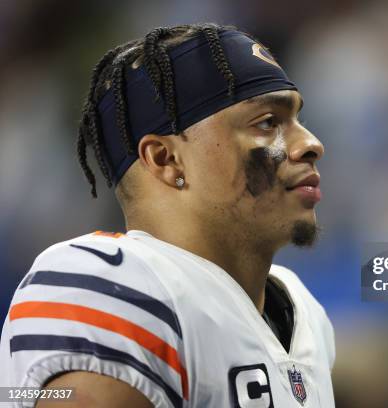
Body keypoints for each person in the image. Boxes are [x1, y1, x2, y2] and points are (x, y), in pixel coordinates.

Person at [0, 23, 334, 407]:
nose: (312, 144)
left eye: (296, 120)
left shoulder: (302, 311)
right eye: (267, 123)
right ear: (166, 159)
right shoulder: (105, 287)